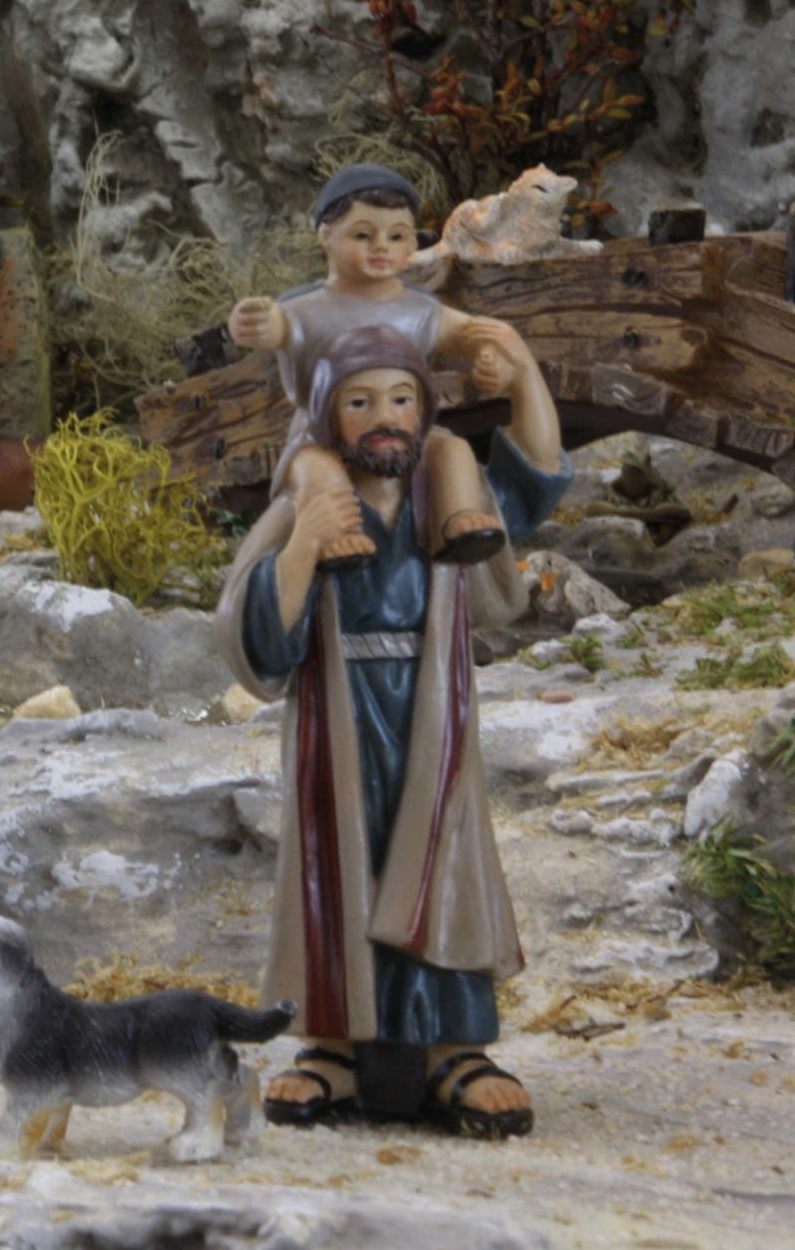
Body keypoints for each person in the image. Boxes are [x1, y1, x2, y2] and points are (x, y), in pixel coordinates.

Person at [214, 322, 570, 1139]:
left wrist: (524, 375)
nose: (386, 418)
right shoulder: (308, 504)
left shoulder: (451, 501)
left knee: (441, 865)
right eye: (361, 402)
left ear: (426, 409)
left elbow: (536, 481)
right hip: (338, 717)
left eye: (403, 399)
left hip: (431, 711)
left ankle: (454, 1050)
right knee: (339, 869)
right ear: (327, 417)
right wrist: (304, 546)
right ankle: (334, 1047)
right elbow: (252, 629)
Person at [227, 165, 527, 572]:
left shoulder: (417, 310)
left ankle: (458, 522)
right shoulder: (305, 310)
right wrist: (252, 322)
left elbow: (470, 334)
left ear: (412, 243)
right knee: (319, 470)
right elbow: (272, 327)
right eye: (362, 235)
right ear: (325, 236)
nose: (380, 247)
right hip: (322, 434)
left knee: (451, 449)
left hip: (403, 429)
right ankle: (341, 536)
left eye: (396, 236)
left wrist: (489, 356)